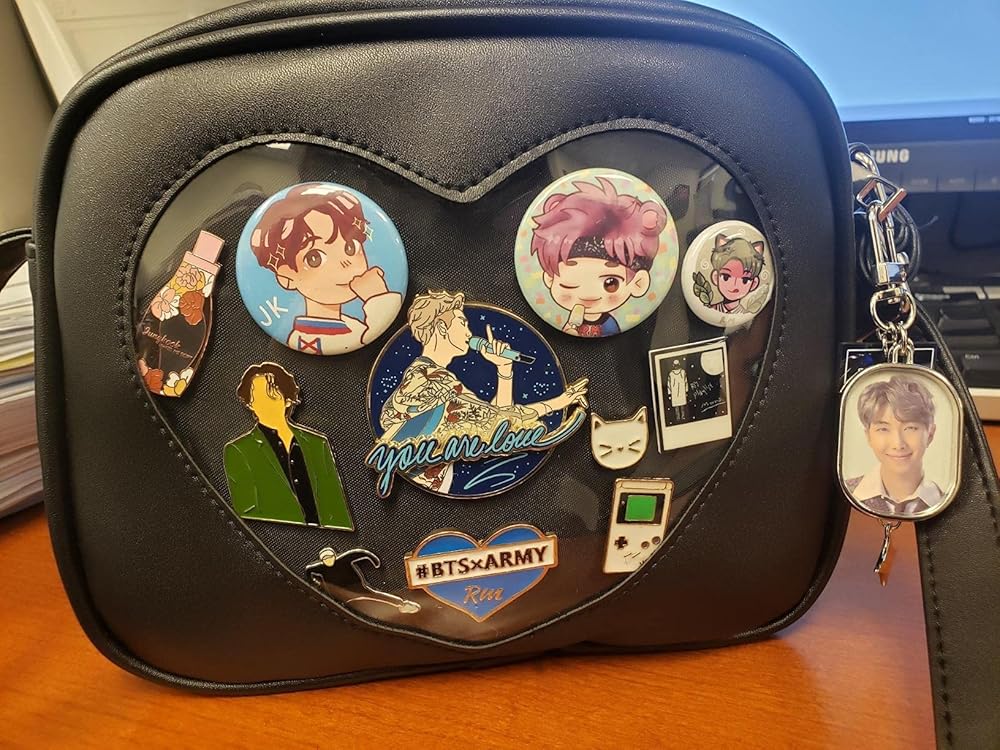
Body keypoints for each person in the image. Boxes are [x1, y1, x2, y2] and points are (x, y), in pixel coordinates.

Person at [377, 290, 588, 493]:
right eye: (462, 323)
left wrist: (504, 370)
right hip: (422, 479)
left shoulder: (440, 379)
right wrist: (557, 403)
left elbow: (494, 420)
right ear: (441, 327)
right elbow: (495, 421)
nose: (469, 333)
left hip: (435, 482)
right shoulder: (429, 379)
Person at [248, 183, 401, 354]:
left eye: (350, 247)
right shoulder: (309, 339)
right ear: (286, 277)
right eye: (315, 258)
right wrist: (377, 299)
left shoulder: (349, 325)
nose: (345, 263)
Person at [529, 177, 667, 336]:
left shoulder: (611, 324)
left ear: (638, 283)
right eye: (569, 284)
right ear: (550, 279)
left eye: (611, 283)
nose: (588, 294)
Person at [224, 363, 353, 528]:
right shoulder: (239, 450)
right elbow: (247, 515)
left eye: (272, 395)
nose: (267, 403)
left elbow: (337, 506)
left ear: (287, 399)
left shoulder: (318, 443)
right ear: (250, 404)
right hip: (278, 538)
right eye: (259, 397)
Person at [846, 374, 943, 518]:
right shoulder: (845, 493)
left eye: (910, 428)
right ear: (868, 436)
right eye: (883, 429)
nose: (898, 444)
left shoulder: (946, 502)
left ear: (930, 434)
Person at [697, 232, 765, 315]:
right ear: (715, 277)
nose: (734, 285)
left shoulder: (745, 314)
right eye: (726, 277)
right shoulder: (710, 310)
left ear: (754, 284)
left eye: (745, 280)